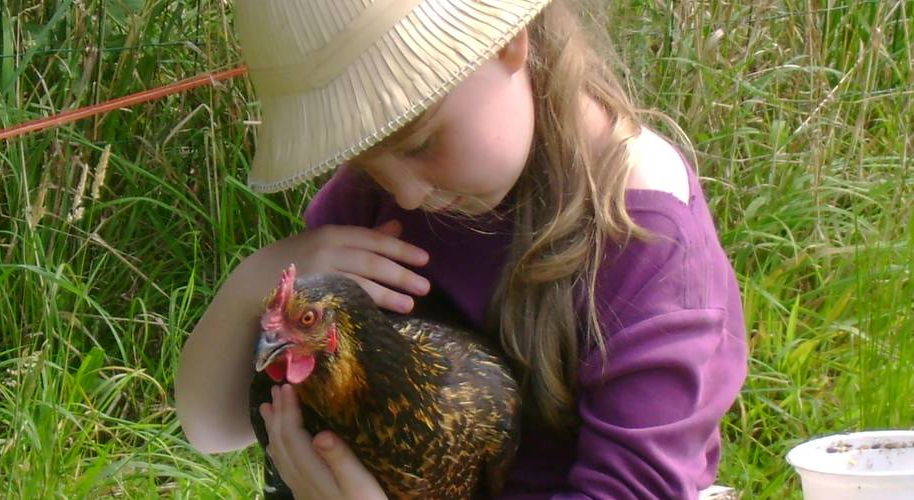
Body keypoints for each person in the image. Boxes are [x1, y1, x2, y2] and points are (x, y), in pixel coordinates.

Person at [175, 0, 748, 498]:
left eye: (420, 142)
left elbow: (635, 489)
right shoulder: (371, 204)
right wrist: (255, 281)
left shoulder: (646, 247)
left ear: (507, 41)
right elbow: (213, 428)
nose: (404, 190)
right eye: (366, 155)